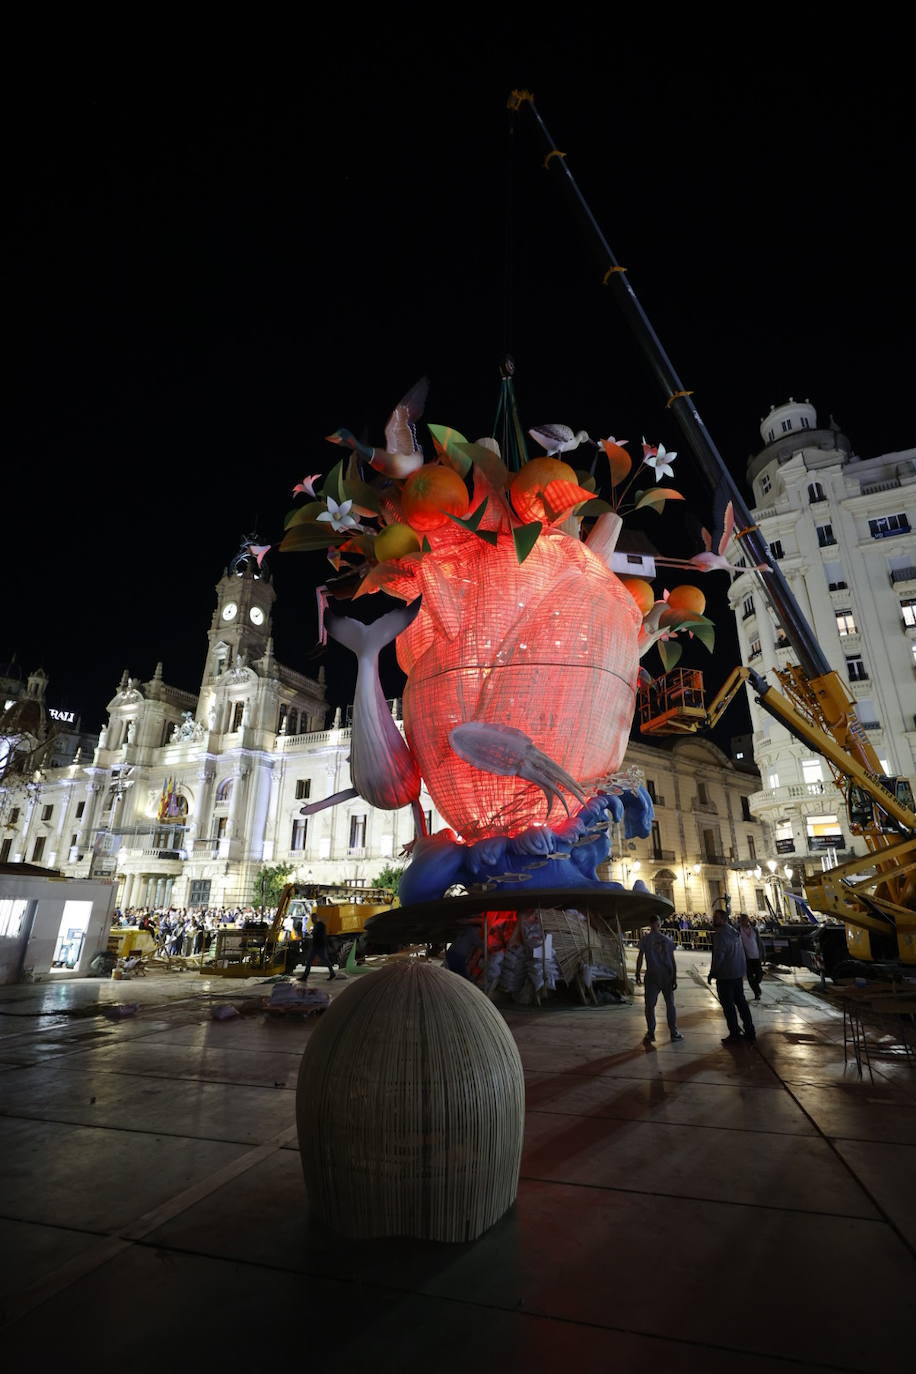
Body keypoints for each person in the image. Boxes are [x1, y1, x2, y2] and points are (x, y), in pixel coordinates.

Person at [708, 907, 755, 1044]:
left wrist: (713, 972)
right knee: (741, 1003)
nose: (714, 920)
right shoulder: (734, 932)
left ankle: (735, 1033)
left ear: (723, 919)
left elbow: (719, 956)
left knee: (728, 1006)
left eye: (716, 918)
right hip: (737, 974)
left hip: (725, 975)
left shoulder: (720, 935)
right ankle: (750, 1030)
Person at [635, 914, 684, 1046]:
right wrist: (674, 977)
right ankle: (674, 1033)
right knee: (670, 1004)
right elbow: (672, 960)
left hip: (652, 975)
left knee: (650, 1006)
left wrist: (637, 973)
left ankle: (651, 1032)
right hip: (666, 975)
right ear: (660, 924)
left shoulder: (645, 940)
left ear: (650, 924)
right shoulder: (667, 940)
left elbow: (640, 957)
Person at [299, 915, 336, 982]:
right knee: (311, 961)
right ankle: (305, 977)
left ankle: (305, 977)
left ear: (316, 918)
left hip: (319, 946)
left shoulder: (320, 925)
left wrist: (313, 932)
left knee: (317, 960)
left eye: (313, 919)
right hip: (317, 946)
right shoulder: (318, 925)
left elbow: (319, 935)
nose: (312, 920)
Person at [738, 912, 764, 1000]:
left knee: (759, 976)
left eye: (744, 919)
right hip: (746, 958)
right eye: (741, 920)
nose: (743, 921)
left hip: (756, 956)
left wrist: (762, 954)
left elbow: (759, 942)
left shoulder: (754, 930)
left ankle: (756, 985)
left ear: (747, 920)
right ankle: (756, 993)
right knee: (749, 977)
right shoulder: (738, 930)